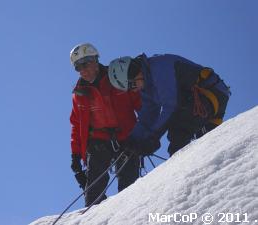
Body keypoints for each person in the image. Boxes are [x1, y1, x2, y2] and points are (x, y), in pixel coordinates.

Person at [108, 53, 231, 157]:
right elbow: (147, 118)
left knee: (178, 132)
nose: (134, 90)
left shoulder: (160, 67)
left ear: (135, 72)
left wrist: (152, 137)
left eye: (132, 85)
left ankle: (183, 175)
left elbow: (171, 106)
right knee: (204, 147)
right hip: (200, 102)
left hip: (210, 94)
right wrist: (132, 140)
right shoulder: (147, 87)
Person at [69, 43, 142, 207]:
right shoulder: (79, 93)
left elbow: (142, 105)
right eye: (77, 67)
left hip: (128, 140)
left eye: (85, 64)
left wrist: (145, 135)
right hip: (98, 143)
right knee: (93, 193)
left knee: (129, 188)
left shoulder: (119, 77)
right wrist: (75, 156)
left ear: (95, 60)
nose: (82, 70)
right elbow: (76, 125)